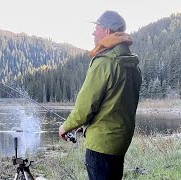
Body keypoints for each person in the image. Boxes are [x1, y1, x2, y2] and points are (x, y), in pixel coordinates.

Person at [59, 10, 142, 180]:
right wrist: (84, 125)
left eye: (97, 27)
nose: (93, 32)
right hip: (120, 142)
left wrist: (66, 127)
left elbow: (85, 106)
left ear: (107, 31)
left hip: (101, 145)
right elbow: (115, 104)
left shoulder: (104, 62)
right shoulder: (133, 65)